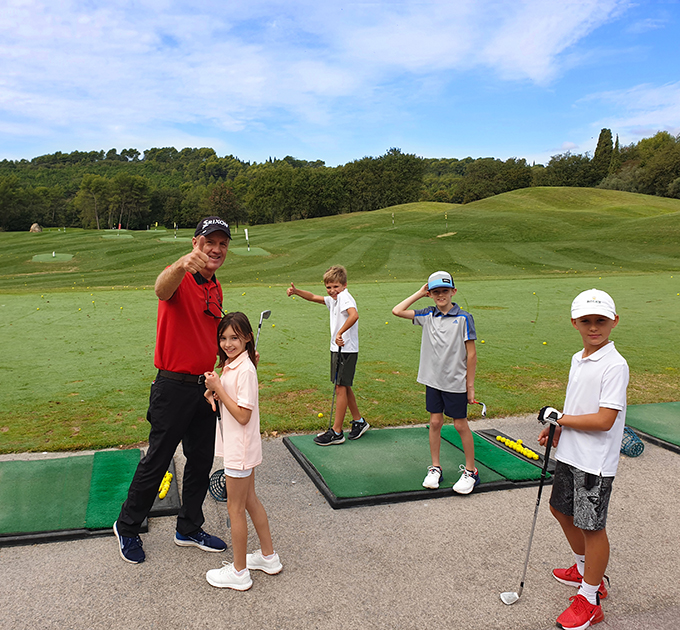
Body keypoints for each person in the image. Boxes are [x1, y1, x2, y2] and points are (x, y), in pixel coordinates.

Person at [113, 216, 232, 564]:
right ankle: (128, 525)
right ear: (195, 243)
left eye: (223, 243)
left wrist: (234, 355)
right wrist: (180, 264)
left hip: (204, 387)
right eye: (210, 242)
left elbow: (211, 335)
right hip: (172, 386)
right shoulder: (178, 276)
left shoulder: (216, 286)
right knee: (158, 460)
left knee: (200, 461)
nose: (216, 249)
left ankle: (189, 526)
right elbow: (160, 289)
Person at [537, 288, 629, 630]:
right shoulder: (580, 358)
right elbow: (578, 407)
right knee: (560, 510)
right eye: (587, 321)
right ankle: (582, 567)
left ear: (614, 322)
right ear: (575, 322)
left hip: (595, 462)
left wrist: (560, 419)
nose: (594, 327)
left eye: (601, 321)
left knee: (592, 527)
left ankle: (591, 597)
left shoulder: (615, 365)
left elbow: (605, 419)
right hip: (571, 452)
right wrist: (559, 429)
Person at [203, 312, 281, 590]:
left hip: (240, 449)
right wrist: (214, 391)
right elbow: (230, 397)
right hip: (241, 448)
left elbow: (243, 415)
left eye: (234, 337)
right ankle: (269, 558)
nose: (227, 343)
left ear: (247, 337)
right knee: (249, 501)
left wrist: (217, 389)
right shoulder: (234, 365)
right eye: (223, 338)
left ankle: (239, 572)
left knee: (235, 508)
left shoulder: (245, 369)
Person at [392, 271, 479, 494]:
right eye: (436, 292)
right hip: (433, 380)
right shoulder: (427, 314)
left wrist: (470, 386)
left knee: (460, 424)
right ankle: (435, 468)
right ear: (431, 294)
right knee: (435, 422)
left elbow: (471, 355)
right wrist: (420, 293)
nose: (441, 295)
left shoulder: (464, 318)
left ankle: (471, 471)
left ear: (453, 292)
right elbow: (397, 310)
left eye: (445, 291)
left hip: (455, 382)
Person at [286, 265, 369, 445]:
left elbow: (354, 315)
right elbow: (315, 297)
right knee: (344, 386)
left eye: (335, 287)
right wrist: (296, 291)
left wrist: (340, 333)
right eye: (329, 287)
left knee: (340, 387)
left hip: (345, 349)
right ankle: (359, 421)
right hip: (338, 349)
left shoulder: (345, 297)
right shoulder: (334, 299)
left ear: (344, 285)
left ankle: (337, 432)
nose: (332, 291)